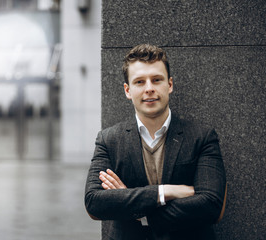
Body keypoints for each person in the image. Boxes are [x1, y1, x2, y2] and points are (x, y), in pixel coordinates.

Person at [84, 44, 226, 240]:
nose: (149, 88)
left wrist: (134, 207)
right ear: (127, 90)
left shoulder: (202, 136)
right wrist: (165, 192)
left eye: (156, 80)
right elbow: (94, 203)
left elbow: (211, 206)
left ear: (169, 85)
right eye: (140, 82)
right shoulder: (109, 140)